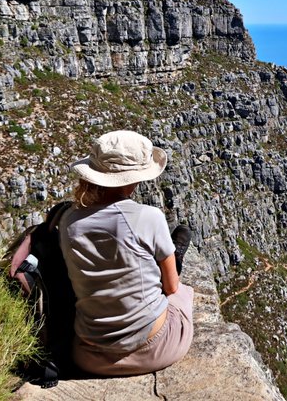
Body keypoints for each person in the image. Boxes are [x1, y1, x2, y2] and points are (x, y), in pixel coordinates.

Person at [59, 130, 194, 376]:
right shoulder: (148, 216)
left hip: (89, 355)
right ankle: (174, 257)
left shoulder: (68, 220)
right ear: (134, 178)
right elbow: (172, 288)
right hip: (155, 349)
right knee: (182, 294)